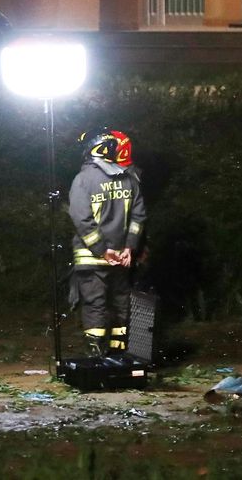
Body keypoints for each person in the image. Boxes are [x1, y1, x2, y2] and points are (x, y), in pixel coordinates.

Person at [68, 128, 146, 357]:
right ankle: (121, 355)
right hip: (122, 258)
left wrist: (102, 250)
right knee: (121, 303)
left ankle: (97, 357)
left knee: (95, 305)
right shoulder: (129, 178)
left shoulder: (83, 180)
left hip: (92, 259)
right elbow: (138, 217)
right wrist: (129, 247)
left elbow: (82, 219)